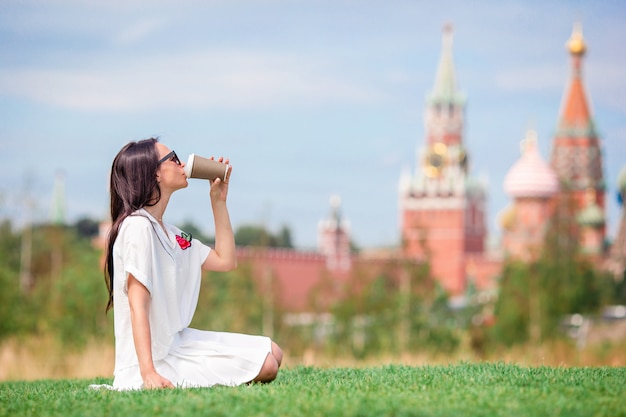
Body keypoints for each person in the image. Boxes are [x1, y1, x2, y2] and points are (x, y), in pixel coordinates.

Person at [103, 137, 282, 390]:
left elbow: (225, 261)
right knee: (268, 365)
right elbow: (137, 304)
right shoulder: (137, 227)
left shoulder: (173, 234)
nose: (181, 163)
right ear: (154, 173)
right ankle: (146, 373)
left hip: (178, 344)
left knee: (274, 351)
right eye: (173, 158)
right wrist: (148, 373)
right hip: (154, 361)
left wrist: (218, 201)